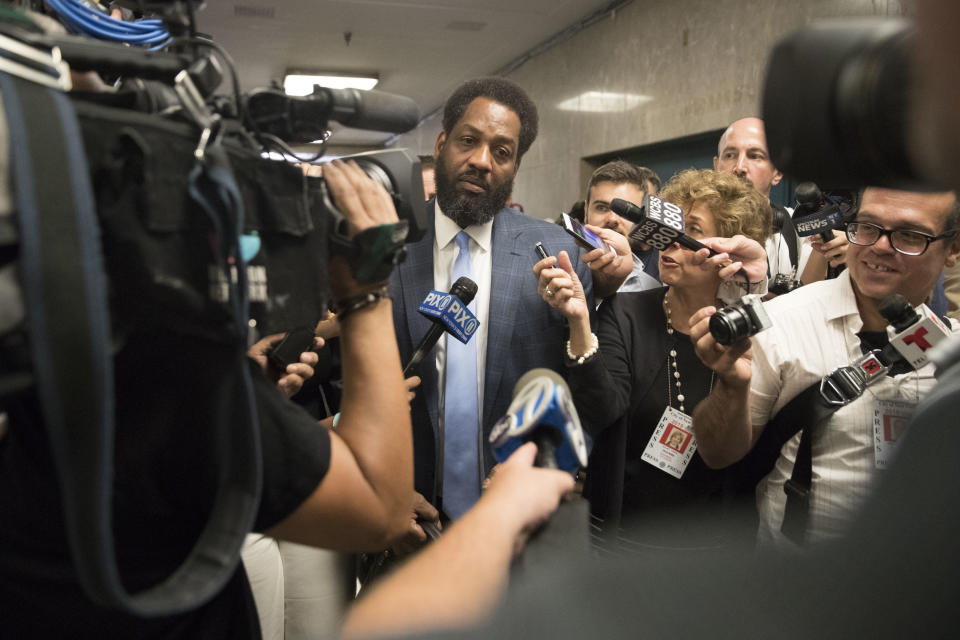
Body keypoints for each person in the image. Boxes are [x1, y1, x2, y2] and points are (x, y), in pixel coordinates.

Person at [0, 160, 415, 637]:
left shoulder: (45, 369)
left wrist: (243, 384)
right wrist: (365, 292)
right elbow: (379, 510)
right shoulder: (166, 381)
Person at [690, 186, 960, 547]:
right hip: (796, 582)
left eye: (909, 235)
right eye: (867, 227)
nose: (880, 246)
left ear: (953, 249)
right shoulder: (781, 322)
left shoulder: (951, 350)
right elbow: (718, 454)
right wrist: (730, 385)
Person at [388, 77, 594, 523]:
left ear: (515, 167)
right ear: (442, 144)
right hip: (406, 511)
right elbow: (348, 382)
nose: (482, 161)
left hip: (516, 517)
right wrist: (384, 489)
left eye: (502, 152)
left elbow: (579, 396)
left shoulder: (559, 253)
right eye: (468, 141)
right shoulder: (387, 246)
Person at [535, 169, 770, 551]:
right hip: (625, 539)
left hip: (716, 546)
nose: (668, 244)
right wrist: (579, 320)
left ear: (726, 247)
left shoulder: (748, 328)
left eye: (688, 230)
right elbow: (602, 408)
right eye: (666, 228)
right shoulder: (626, 313)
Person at [714, 117, 848, 287]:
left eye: (755, 156)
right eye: (730, 155)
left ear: (777, 173)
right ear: (716, 166)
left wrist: (842, 252)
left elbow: (807, 298)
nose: (739, 167)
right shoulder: (693, 225)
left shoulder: (798, 226)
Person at [581, 161, 661, 293]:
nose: (612, 219)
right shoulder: (556, 268)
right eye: (601, 208)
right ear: (586, 211)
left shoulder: (650, 289)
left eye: (625, 211)